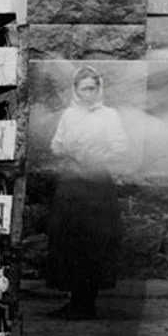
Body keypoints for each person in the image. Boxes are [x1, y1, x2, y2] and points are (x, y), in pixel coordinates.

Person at [45, 65, 129, 320]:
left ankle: (87, 301)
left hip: (96, 187)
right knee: (69, 240)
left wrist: (98, 155)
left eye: (93, 88)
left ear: (99, 89)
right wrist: (69, 149)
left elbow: (120, 147)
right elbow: (56, 145)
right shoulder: (69, 115)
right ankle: (73, 300)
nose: (89, 94)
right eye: (84, 89)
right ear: (76, 90)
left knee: (94, 242)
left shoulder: (109, 115)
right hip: (72, 185)